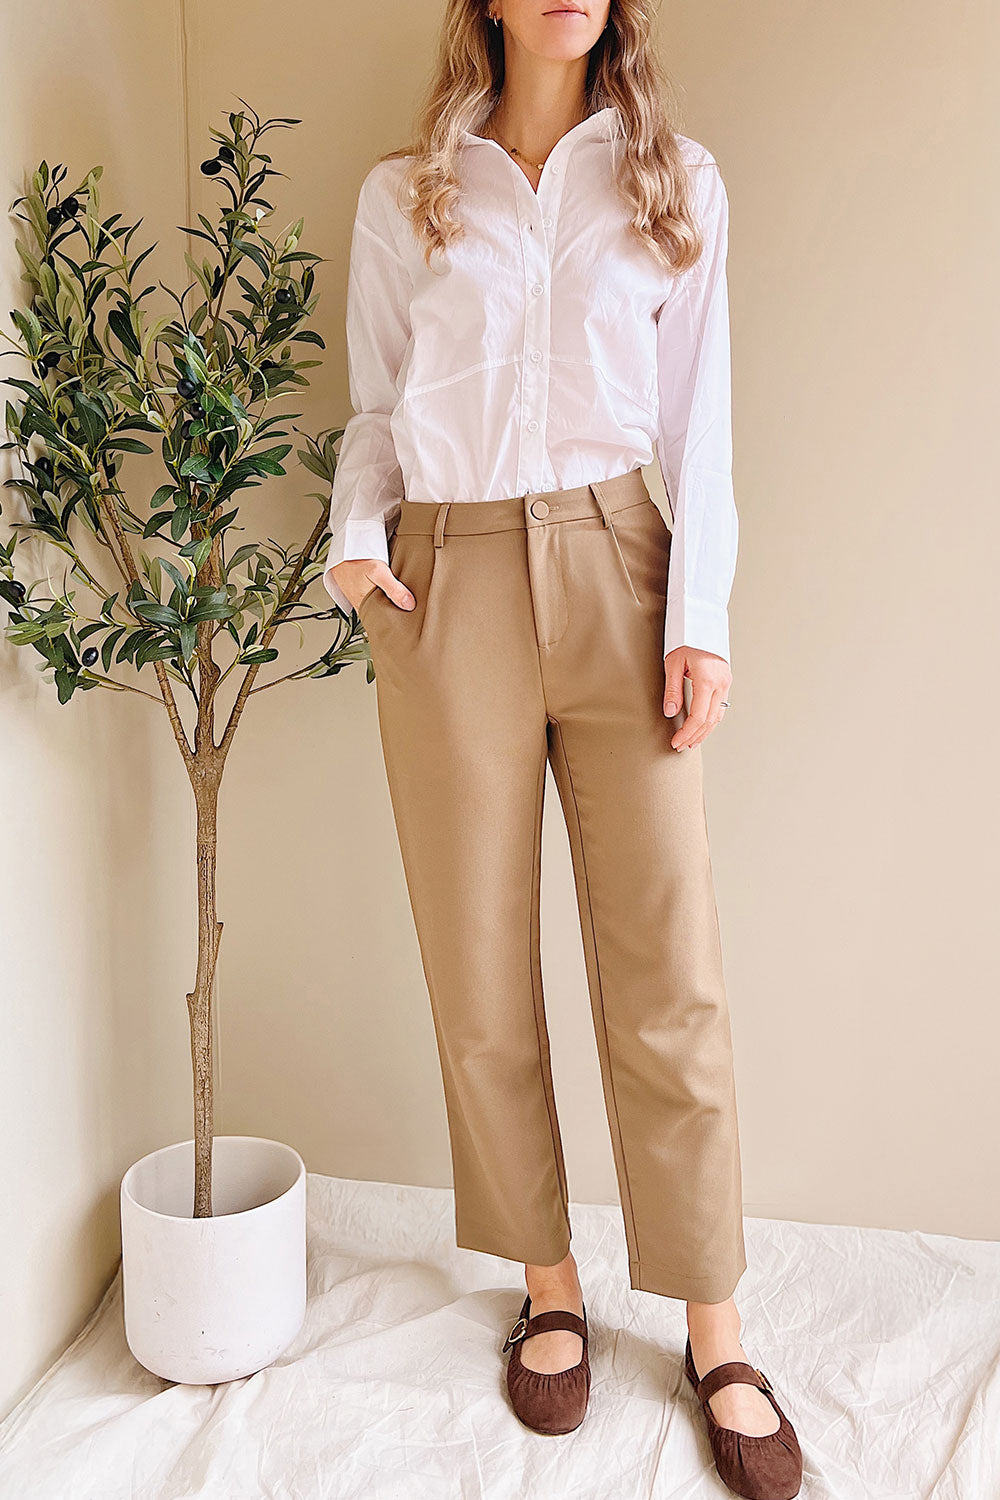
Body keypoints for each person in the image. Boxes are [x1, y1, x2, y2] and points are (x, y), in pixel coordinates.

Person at [324, 2, 803, 1495]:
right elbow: (373, 408)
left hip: (619, 559)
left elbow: (700, 427)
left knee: (670, 958)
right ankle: (549, 1286)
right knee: (478, 963)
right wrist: (354, 546)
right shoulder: (413, 189)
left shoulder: (675, 180)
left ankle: (715, 1324)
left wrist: (701, 616)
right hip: (446, 572)